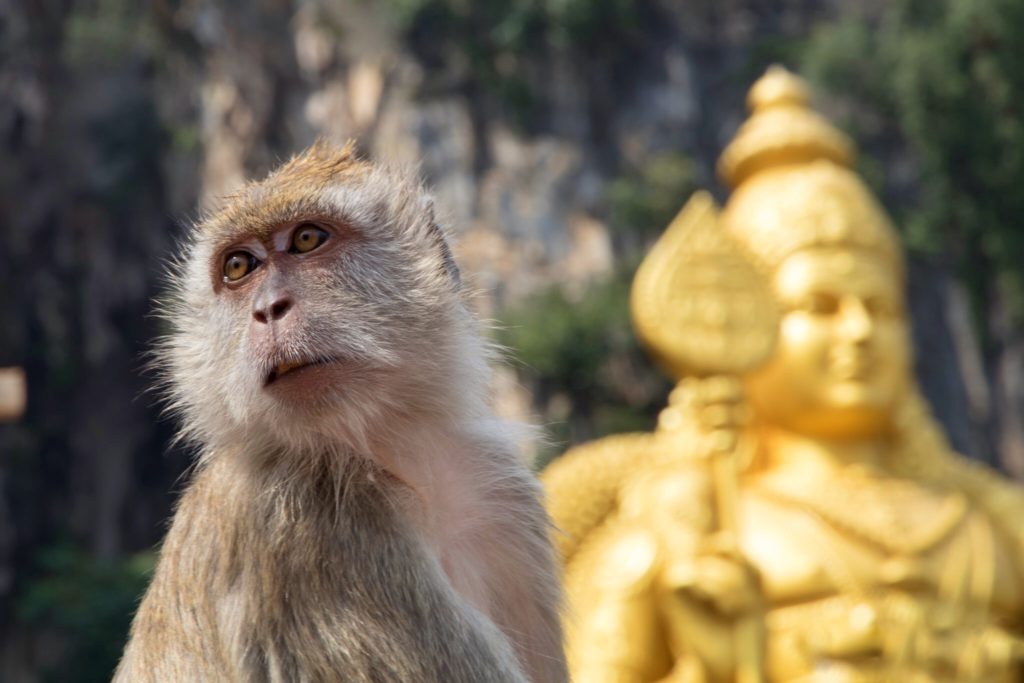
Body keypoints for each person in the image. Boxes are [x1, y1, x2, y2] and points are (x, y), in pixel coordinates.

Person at [543, 67, 1024, 683]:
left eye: (880, 308)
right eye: (820, 306)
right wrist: (703, 665)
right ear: (743, 324)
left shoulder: (988, 528)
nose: (859, 331)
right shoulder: (677, 540)